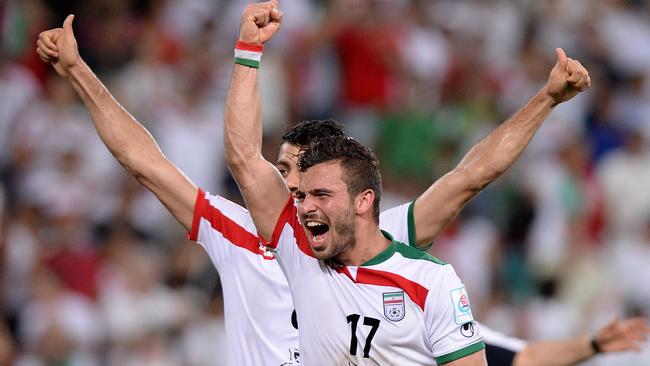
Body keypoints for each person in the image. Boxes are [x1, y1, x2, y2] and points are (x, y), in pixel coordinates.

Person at [35, 7, 647, 366]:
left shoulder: (395, 250)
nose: (289, 191)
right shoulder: (245, 232)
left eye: (302, 179)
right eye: (286, 180)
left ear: (356, 198)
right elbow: (158, 162)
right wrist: (80, 72)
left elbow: (473, 177)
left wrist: (543, 100)